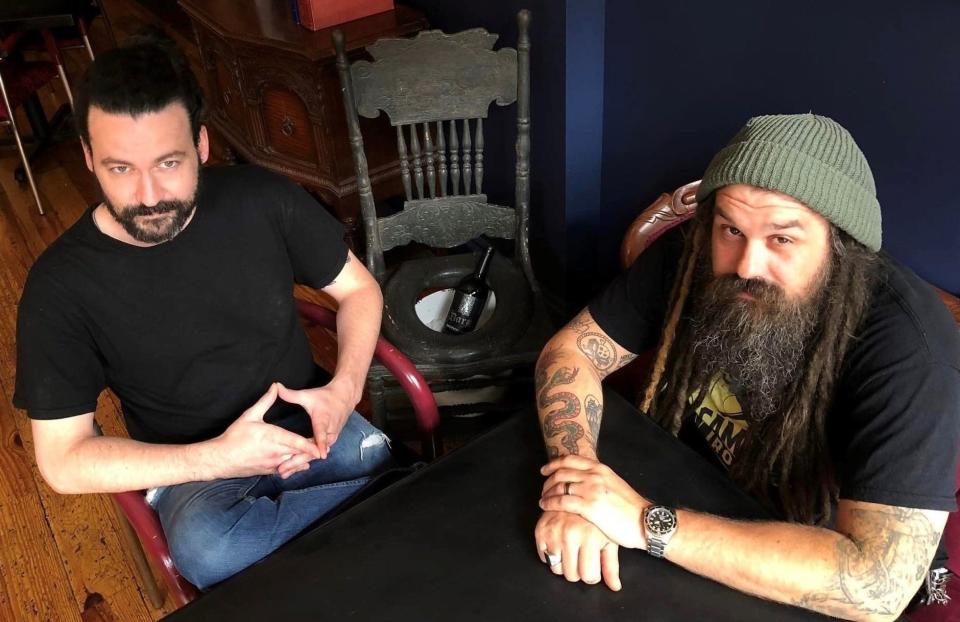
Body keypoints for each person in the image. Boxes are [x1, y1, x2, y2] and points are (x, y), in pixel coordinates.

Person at [533, 113, 960, 621]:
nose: (746, 265)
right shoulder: (694, 253)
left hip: (814, 566)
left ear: (841, 246)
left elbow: (877, 587)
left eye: (782, 239)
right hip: (697, 496)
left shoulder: (910, 346)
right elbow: (571, 352)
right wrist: (576, 485)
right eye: (731, 230)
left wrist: (644, 523)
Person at [13, 32, 394, 589]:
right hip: (193, 468)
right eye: (120, 169)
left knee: (377, 474)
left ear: (202, 145)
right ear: (90, 158)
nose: (147, 195)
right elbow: (63, 458)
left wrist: (343, 389)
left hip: (310, 427)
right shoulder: (59, 287)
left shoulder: (261, 198)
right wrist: (216, 458)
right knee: (212, 549)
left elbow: (359, 291)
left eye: (169, 162)